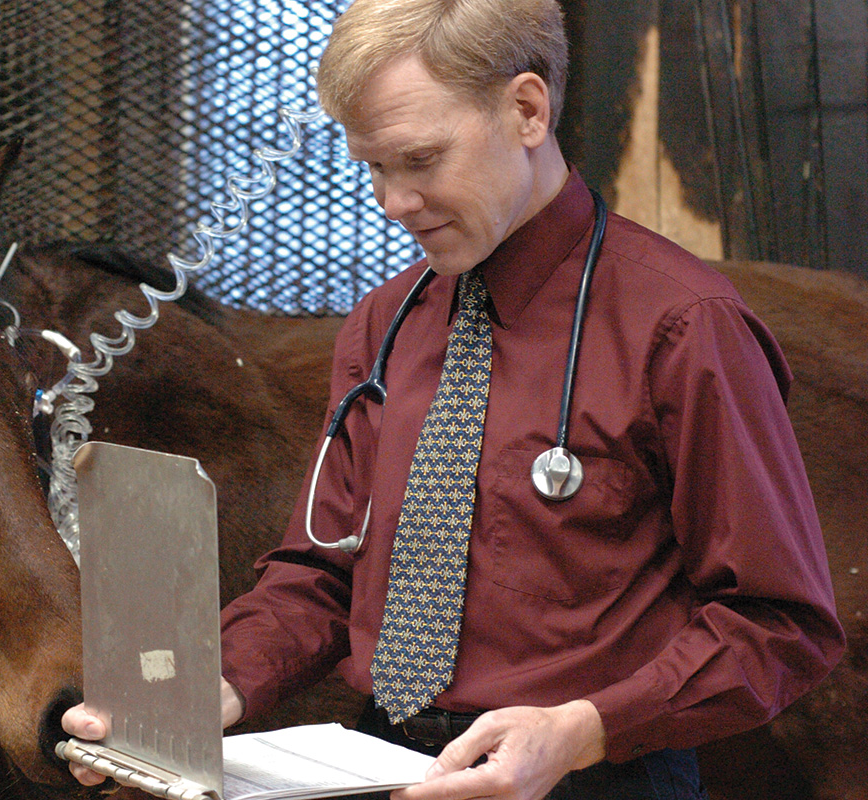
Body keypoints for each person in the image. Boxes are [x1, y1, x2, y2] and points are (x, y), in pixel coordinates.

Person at [64, 0, 845, 797]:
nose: (393, 202)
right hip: (385, 768)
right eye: (374, 166)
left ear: (527, 110)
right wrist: (205, 689)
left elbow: (783, 627)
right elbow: (321, 573)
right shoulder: (384, 324)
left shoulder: (682, 327)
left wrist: (582, 730)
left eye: (421, 159)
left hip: (593, 775)